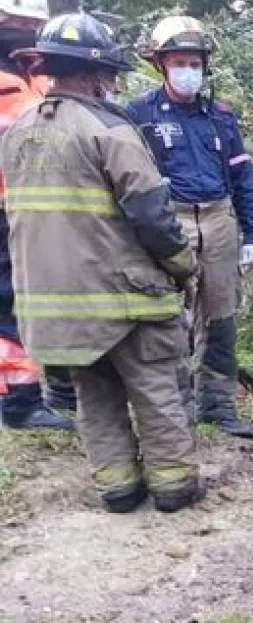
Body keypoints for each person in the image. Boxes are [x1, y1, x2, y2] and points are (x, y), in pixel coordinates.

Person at [1, 12, 203, 512]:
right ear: (95, 75)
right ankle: (174, 487)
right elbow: (151, 213)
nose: (113, 85)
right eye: (110, 75)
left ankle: (119, 489)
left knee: (95, 398)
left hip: (55, 308)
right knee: (156, 390)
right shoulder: (109, 129)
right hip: (123, 298)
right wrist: (182, 264)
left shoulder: (18, 132)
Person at [128, 15, 253, 438]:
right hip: (171, 222)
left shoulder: (221, 116)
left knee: (221, 317)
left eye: (196, 63)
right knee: (170, 319)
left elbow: (243, 178)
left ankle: (218, 406)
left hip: (220, 220)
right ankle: (174, 409)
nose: (189, 71)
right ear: (162, 64)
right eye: (180, 61)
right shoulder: (139, 115)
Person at [0, 0, 74, 431]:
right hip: (7, 210)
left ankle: (45, 391)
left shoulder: (33, 76)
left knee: (37, 299)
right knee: (11, 302)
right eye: (19, 22)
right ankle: (20, 402)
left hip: (38, 207)